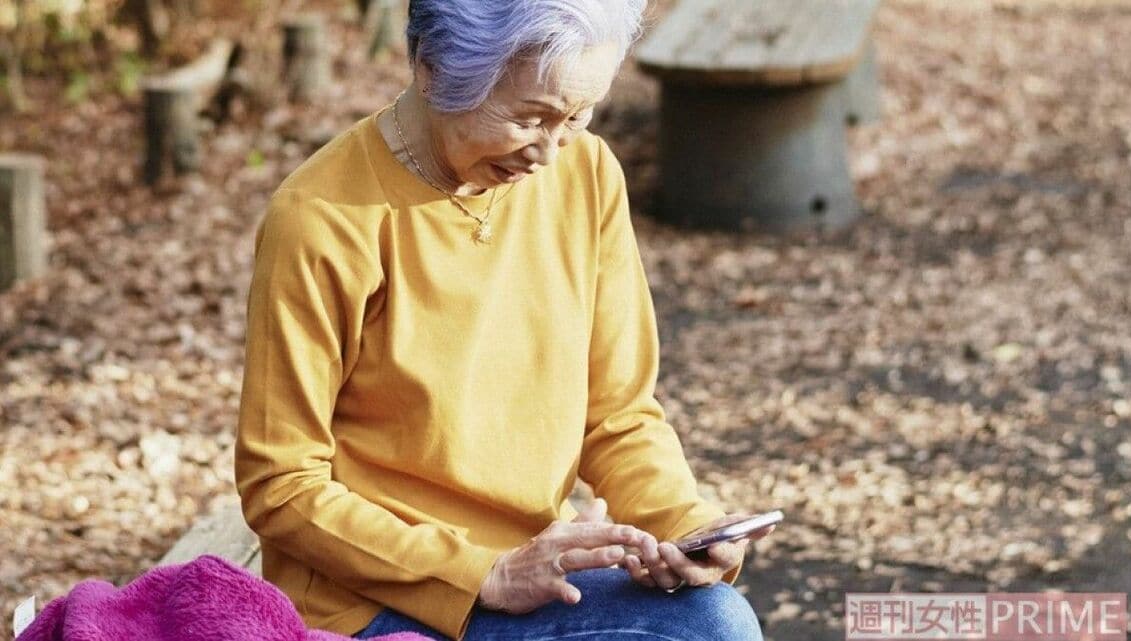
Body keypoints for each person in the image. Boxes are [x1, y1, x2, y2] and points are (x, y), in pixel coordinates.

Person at [234, 1, 773, 640]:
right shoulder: (321, 218)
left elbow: (617, 414)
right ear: (432, 70)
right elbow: (281, 482)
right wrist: (479, 574)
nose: (549, 151)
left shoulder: (588, 172)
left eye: (578, 115)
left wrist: (681, 522)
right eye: (530, 117)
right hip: (370, 596)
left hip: (537, 575)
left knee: (714, 622)